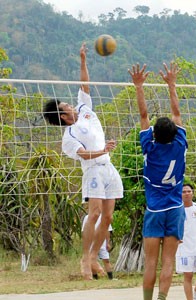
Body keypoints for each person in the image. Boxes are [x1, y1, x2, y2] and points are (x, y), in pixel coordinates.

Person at [43, 43, 123, 280]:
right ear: (63, 116)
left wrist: (83, 59)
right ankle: (85, 257)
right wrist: (101, 150)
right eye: (64, 106)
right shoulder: (69, 137)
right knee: (95, 213)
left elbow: (84, 83)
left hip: (108, 167)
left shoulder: (84, 108)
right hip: (93, 170)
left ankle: (93, 256)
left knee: (107, 217)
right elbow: (84, 154)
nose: (68, 104)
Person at [128, 62, 187, 300]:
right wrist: (171, 84)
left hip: (155, 210)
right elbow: (177, 114)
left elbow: (143, 115)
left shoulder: (149, 148)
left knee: (151, 262)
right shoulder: (180, 143)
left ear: (154, 134)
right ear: (175, 132)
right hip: (174, 209)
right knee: (169, 260)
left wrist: (138, 86)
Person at [82, 212, 114, 280]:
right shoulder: (87, 217)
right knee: (92, 260)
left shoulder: (104, 217)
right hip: (91, 242)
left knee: (106, 260)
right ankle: (95, 277)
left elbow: (108, 231)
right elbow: (84, 230)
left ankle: (110, 277)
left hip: (102, 242)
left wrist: (107, 242)